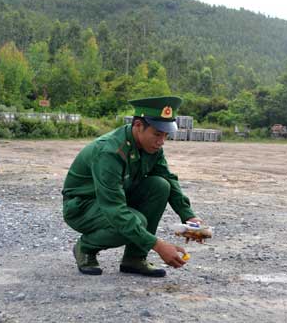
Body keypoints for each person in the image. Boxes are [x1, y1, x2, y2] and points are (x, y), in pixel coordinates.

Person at [62, 96, 202, 277]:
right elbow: (114, 209)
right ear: (137, 126)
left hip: (112, 199)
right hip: (83, 206)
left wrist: (189, 216)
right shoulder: (110, 152)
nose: (162, 141)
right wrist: (158, 245)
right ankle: (85, 247)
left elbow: (167, 177)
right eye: (158, 134)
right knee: (136, 221)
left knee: (160, 185)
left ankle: (135, 259)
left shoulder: (152, 147)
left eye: (166, 135)